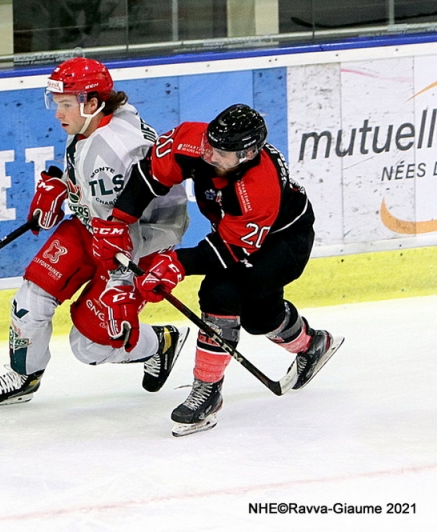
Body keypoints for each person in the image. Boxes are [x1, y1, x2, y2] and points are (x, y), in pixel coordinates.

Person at [97, 103, 344, 435]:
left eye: (223, 152)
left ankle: (207, 392)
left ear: (249, 154)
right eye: (210, 145)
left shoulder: (259, 185)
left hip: (284, 242)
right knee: (259, 318)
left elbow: (232, 249)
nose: (211, 155)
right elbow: (149, 174)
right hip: (237, 234)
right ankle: (311, 344)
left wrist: (176, 264)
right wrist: (118, 222)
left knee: (221, 293)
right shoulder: (192, 140)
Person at [0, 57, 190, 407]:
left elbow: (123, 219)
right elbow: (102, 199)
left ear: (92, 102)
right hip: (95, 228)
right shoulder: (100, 120)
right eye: (56, 103)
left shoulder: (114, 149)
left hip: (137, 249)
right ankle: (25, 376)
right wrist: (65, 186)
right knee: (31, 300)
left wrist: (121, 284)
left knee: (90, 346)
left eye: (65, 104)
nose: (58, 114)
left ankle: (160, 342)